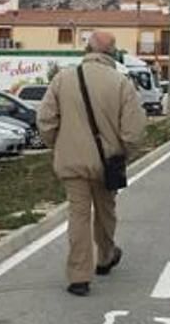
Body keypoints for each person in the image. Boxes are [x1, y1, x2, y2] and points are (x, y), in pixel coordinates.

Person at [37, 31, 147, 297]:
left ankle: (78, 277)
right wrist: (123, 154)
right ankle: (106, 256)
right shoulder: (121, 83)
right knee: (106, 213)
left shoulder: (63, 79)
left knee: (78, 216)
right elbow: (134, 130)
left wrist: (59, 146)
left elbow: (45, 120)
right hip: (107, 162)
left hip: (72, 162)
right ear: (113, 53)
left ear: (87, 49)